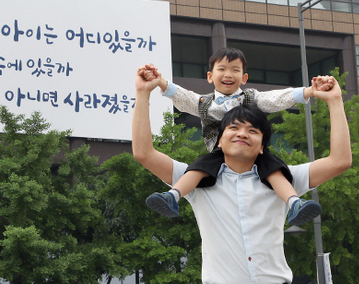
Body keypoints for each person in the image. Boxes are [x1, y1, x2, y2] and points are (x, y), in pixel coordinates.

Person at [132, 71, 351, 282]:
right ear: (219, 140)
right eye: (234, 127)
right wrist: (143, 94)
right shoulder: (196, 179)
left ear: (263, 147)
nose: (242, 133)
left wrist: (334, 101)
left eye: (253, 131)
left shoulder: (285, 178)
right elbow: (144, 153)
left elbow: (339, 161)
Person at [139, 47, 323, 225]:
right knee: (198, 168)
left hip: (253, 152)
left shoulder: (252, 98)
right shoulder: (203, 103)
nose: (228, 74)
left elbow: (276, 98)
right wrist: (161, 82)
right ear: (210, 76)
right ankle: (172, 196)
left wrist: (309, 91)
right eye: (222, 69)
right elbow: (183, 96)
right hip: (219, 151)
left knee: (275, 170)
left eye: (235, 70)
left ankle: (295, 203)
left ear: (244, 78)